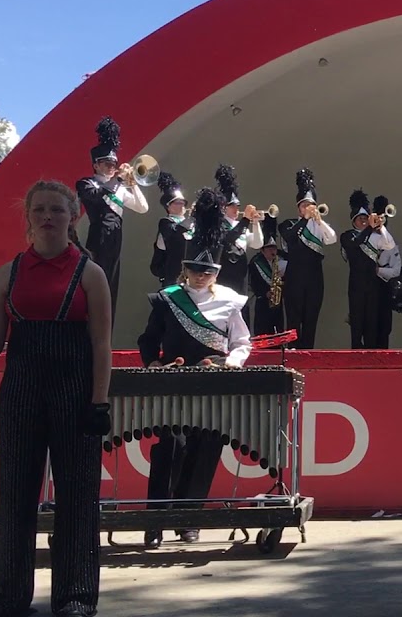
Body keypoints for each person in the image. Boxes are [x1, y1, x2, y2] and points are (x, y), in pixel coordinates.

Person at [0, 180, 113, 617]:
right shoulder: (8, 273)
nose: (48, 216)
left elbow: (101, 345)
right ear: (29, 217)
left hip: (75, 392)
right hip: (20, 390)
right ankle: (6, 598)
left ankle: (75, 598)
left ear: (73, 216)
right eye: (40, 209)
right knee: (15, 494)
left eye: (57, 209)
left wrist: (99, 401)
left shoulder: (90, 273)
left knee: (78, 497)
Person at [137, 188, 252, 548]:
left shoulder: (231, 301)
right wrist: (153, 362)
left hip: (214, 379)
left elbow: (242, 342)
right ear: (185, 269)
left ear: (216, 272)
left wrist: (233, 361)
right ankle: (156, 519)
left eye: (207, 271)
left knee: (206, 448)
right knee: (171, 445)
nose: (201, 276)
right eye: (195, 270)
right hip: (173, 378)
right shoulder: (168, 298)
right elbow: (147, 339)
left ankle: (191, 519)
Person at [75, 116, 149, 325]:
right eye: (107, 163)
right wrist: (118, 180)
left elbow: (142, 208)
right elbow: (94, 196)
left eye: (114, 164)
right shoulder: (86, 183)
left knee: (111, 286)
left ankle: (106, 328)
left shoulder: (119, 187)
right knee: (97, 281)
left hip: (116, 238)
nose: (111, 167)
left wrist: (132, 183)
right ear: (96, 165)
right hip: (99, 236)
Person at [278, 168, 337, 348]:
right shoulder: (289, 224)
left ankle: (308, 353)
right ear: (298, 207)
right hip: (295, 275)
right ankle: (292, 353)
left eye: (310, 204)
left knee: (311, 316)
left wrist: (319, 221)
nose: (308, 208)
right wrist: (304, 220)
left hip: (314, 275)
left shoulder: (319, 226)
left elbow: (332, 238)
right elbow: (288, 237)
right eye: (304, 205)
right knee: (294, 317)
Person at [340, 189, 396, 349]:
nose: (364, 221)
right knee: (357, 323)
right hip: (356, 285)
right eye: (361, 219)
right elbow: (354, 244)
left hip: (372, 285)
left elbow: (389, 244)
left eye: (366, 218)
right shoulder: (347, 235)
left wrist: (381, 226)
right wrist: (370, 228)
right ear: (354, 221)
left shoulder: (375, 236)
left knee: (372, 323)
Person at [214, 164, 264, 294]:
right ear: (223, 207)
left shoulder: (242, 225)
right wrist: (246, 219)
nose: (236, 209)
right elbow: (228, 238)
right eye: (232, 206)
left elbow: (258, 244)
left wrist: (255, 223)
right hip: (224, 275)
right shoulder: (219, 225)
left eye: (237, 206)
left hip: (241, 276)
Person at [248, 213, 287, 339]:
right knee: (263, 332)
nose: (272, 251)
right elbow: (253, 283)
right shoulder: (255, 262)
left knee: (279, 331)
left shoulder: (283, 258)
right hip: (263, 302)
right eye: (269, 248)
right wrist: (265, 293)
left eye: (274, 248)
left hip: (279, 302)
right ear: (262, 250)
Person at [371, 194, 402, 348]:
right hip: (368, 288)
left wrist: (378, 271)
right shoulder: (366, 238)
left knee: (384, 327)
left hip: (383, 287)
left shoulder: (391, 243)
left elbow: (396, 270)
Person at [149, 171, 189, 288]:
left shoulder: (190, 223)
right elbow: (175, 235)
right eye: (178, 203)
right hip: (173, 274)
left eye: (183, 203)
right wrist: (192, 218)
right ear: (168, 206)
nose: (182, 205)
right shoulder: (165, 223)